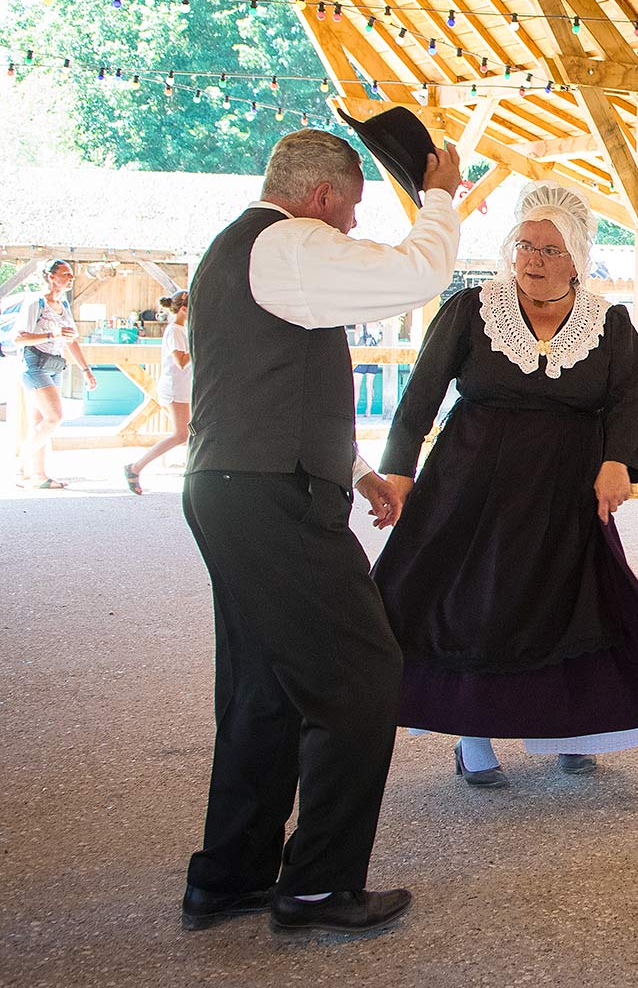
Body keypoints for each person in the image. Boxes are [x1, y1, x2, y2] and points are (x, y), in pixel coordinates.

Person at [180, 128, 461, 938]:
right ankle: (317, 885)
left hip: (234, 485)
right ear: (323, 196)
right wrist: (439, 194)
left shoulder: (242, 253)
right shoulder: (289, 241)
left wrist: (353, 465)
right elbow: (418, 272)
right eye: (350, 213)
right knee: (362, 676)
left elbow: (270, 379)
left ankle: (228, 876)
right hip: (273, 498)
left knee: (263, 685)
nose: (348, 229)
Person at [373, 180, 638, 791]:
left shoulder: (611, 323)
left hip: (567, 486)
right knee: (477, 603)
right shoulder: (471, 309)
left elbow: (627, 402)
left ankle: (575, 728)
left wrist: (617, 461)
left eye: (550, 250)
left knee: (573, 605)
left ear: (577, 257)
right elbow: (421, 394)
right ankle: (473, 736)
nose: (534, 261)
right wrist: (399, 469)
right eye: (526, 246)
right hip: (474, 481)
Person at [13, 259, 97, 490]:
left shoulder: (65, 306)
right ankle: (20, 466)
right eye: (66, 274)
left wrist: (86, 370)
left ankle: (38, 475)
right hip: (34, 363)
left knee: (40, 422)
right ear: (51, 277)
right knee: (54, 417)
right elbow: (18, 338)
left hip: (54, 364)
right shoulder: (35, 303)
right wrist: (52, 335)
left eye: (71, 275)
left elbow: (71, 341)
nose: (71, 278)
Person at [125, 291, 192, 493]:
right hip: (175, 387)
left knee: (190, 433)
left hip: (185, 386)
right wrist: (201, 345)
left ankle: (191, 472)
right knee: (181, 434)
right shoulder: (174, 331)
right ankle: (135, 467)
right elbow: (180, 361)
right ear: (183, 309)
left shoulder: (183, 330)